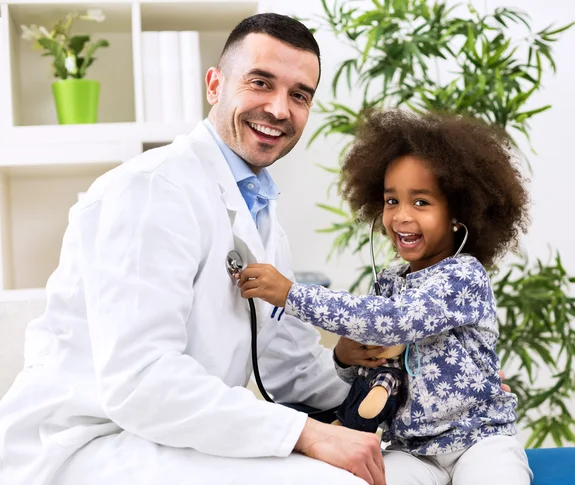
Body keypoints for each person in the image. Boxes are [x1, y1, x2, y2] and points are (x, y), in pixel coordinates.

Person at [0, 13, 386, 485]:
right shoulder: (151, 189)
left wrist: (409, 389)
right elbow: (141, 382)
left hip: (163, 435)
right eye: (260, 82)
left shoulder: (259, 212)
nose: (280, 109)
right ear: (215, 85)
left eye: (299, 95)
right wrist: (304, 432)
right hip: (86, 441)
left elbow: (284, 368)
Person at [238, 109, 534, 485]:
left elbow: (395, 321)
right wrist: (345, 358)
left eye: (421, 202)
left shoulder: (464, 275)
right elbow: (374, 368)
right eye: (392, 201)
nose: (401, 216)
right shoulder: (391, 281)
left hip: (479, 440)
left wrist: (291, 295)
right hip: (411, 448)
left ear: (459, 213)